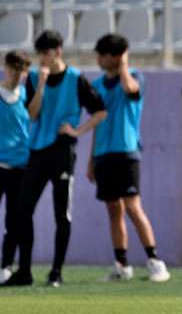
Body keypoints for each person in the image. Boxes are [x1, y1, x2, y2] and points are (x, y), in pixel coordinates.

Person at [5, 30, 107, 287]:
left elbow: (100, 111)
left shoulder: (76, 79)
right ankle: (24, 272)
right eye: (39, 54)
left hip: (62, 152)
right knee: (22, 210)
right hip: (37, 151)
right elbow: (32, 115)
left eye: (46, 53)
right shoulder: (35, 79)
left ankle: (56, 272)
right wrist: (40, 85)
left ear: (58, 51)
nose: (42, 58)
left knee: (62, 214)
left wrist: (77, 131)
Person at [90, 33, 170, 283]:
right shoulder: (97, 85)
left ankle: (155, 261)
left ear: (115, 56)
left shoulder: (134, 76)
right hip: (103, 154)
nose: (98, 60)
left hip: (126, 152)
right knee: (113, 209)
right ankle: (121, 264)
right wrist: (91, 159)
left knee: (133, 207)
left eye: (102, 55)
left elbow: (130, 90)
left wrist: (123, 65)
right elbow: (96, 122)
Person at [0, 51, 32, 285]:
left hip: (21, 168)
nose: (15, 74)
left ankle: (6, 265)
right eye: (13, 68)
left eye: (20, 70)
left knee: (14, 220)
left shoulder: (27, 96)